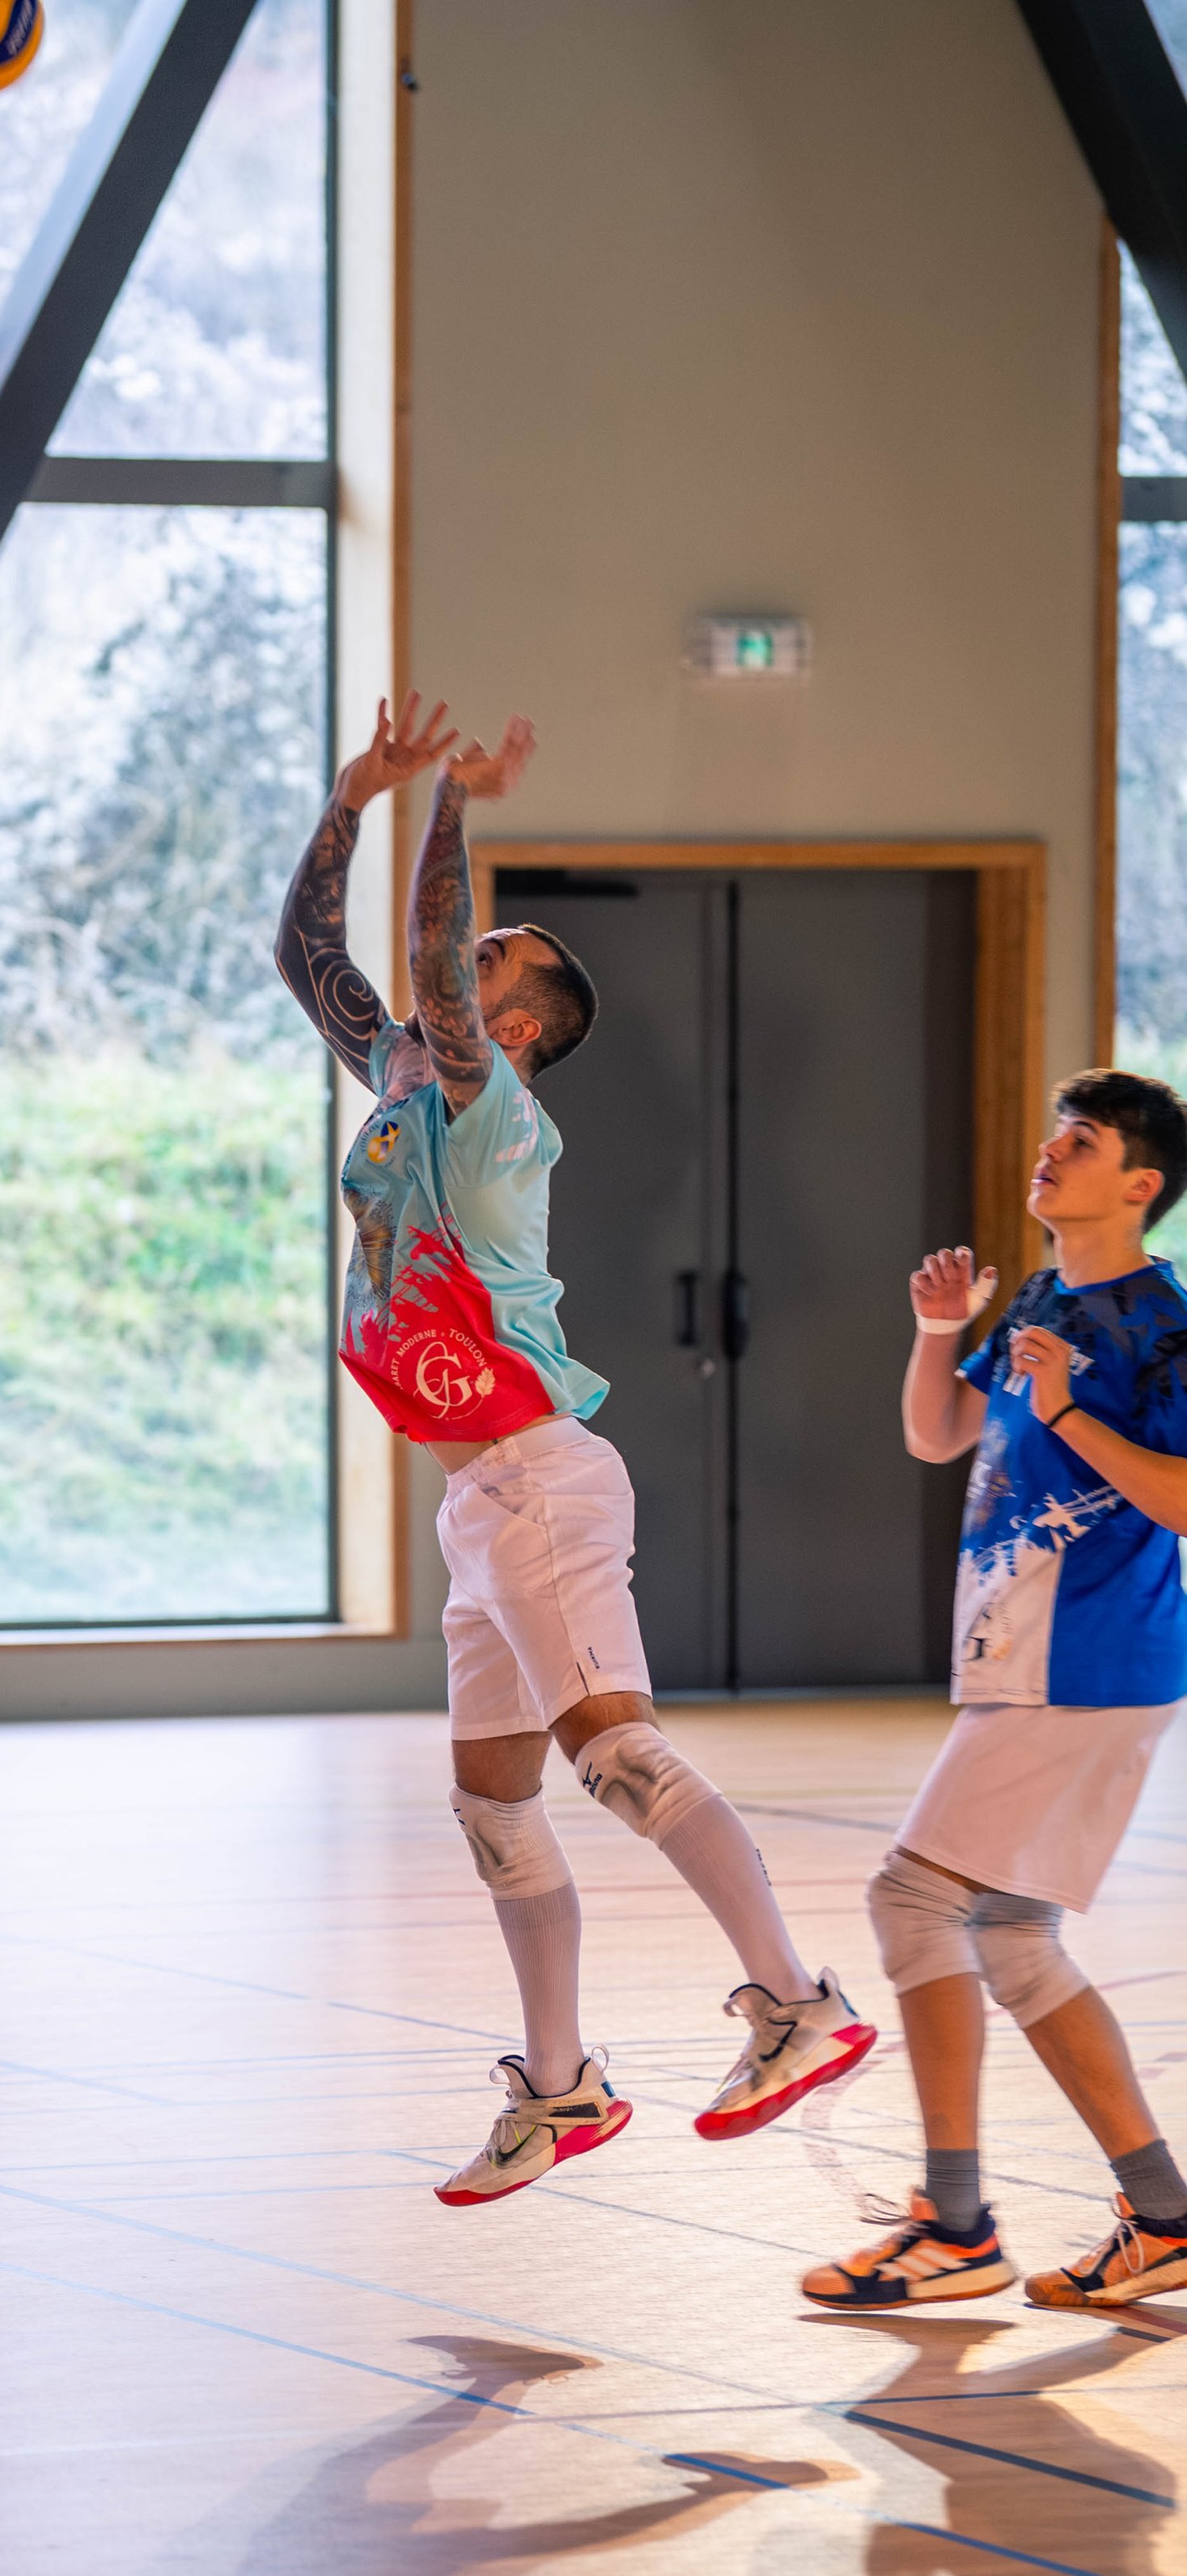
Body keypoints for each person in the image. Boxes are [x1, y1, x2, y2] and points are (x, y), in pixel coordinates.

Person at [273, 698, 873, 2205]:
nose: (459, 973)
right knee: (492, 1801)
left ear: (516, 1025)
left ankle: (800, 2001)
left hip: (542, 1476)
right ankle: (560, 2087)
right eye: (474, 948)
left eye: (490, 965)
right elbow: (310, 962)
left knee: (612, 1752)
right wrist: (353, 798)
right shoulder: (407, 1080)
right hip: (479, 1498)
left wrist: (453, 812)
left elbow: (420, 961)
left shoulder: (486, 1102)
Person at [803, 1069, 1187, 2311]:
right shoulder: (1034, 1294)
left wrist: (1071, 1408)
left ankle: (956, 2223)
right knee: (1012, 1937)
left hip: (1092, 1661)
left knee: (912, 1899)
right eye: (1051, 1134)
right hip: (1018, 1656)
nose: (1048, 1152)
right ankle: (1168, 2214)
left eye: (1080, 1142)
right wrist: (934, 1332)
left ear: (1141, 1184)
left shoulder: (1162, 1322)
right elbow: (939, 1435)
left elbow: (1181, 1500)